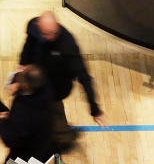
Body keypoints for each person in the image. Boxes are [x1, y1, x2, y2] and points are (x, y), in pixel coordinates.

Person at [18, 11, 105, 151]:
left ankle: (62, 138)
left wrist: (94, 109)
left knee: (54, 112)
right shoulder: (34, 27)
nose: (49, 37)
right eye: (45, 33)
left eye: (51, 33)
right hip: (34, 81)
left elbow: (84, 77)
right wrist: (22, 64)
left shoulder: (67, 45)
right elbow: (28, 45)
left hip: (55, 89)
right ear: (38, 24)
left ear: (57, 26)